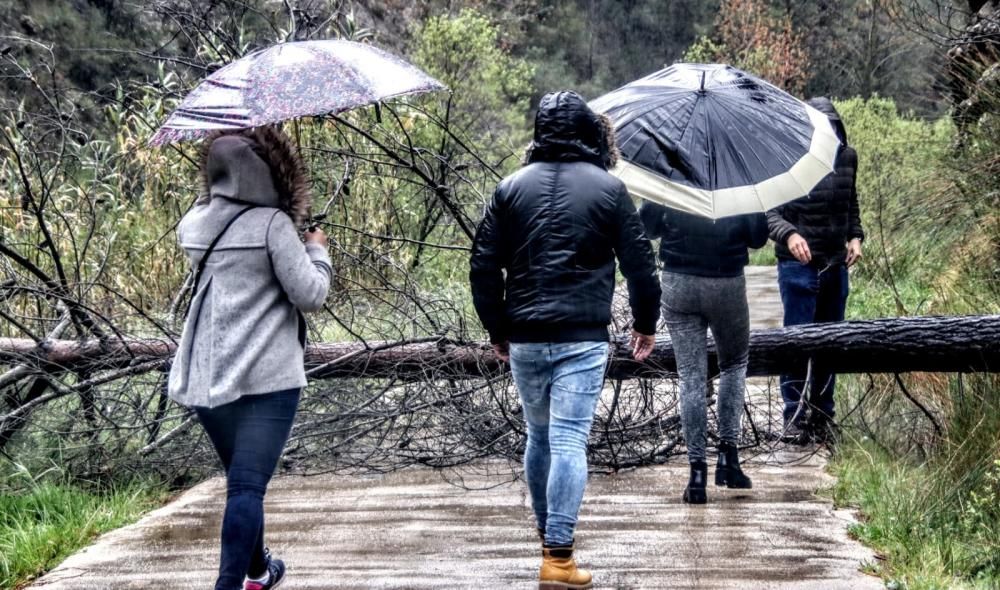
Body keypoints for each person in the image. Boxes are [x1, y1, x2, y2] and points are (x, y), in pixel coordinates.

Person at [469, 91, 660, 590]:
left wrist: (497, 327)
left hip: (526, 336)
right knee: (569, 438)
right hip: (582, 335)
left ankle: (547, 542)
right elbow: (641, 266)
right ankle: (558, 557)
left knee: (539, 436)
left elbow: (483, 265)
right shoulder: (609, 189)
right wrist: (645, 323)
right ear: (588, 132)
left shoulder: (508, 188)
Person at [168, 126, 332, 590]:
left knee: (243, 484)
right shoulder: (273, 226)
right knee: (246, 488)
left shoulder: (196, 222)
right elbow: (310, 294)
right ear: (272, 173)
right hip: (266, 380)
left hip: (208, 377)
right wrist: (316, 250)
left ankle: (259, 570)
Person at [639, 202, 768, 504]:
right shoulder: (737, 172)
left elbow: (648, 227)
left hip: (679, 280)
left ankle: (697, 475)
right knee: (734, 364)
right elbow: (758, 237)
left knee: (691, 376)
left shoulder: (670, 169)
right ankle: (728, 460)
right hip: (726, 280)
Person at [767, 97, 864, 444]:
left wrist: (856, 236)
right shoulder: (785, 157)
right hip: (797, 267)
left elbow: (851, 202)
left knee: (830, 343)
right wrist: (789, 234)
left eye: (830, 127)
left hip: (835, 266)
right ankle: (793, 416)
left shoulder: (847, 157)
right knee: (796, 342)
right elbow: (768, 212)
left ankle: (823, 416)